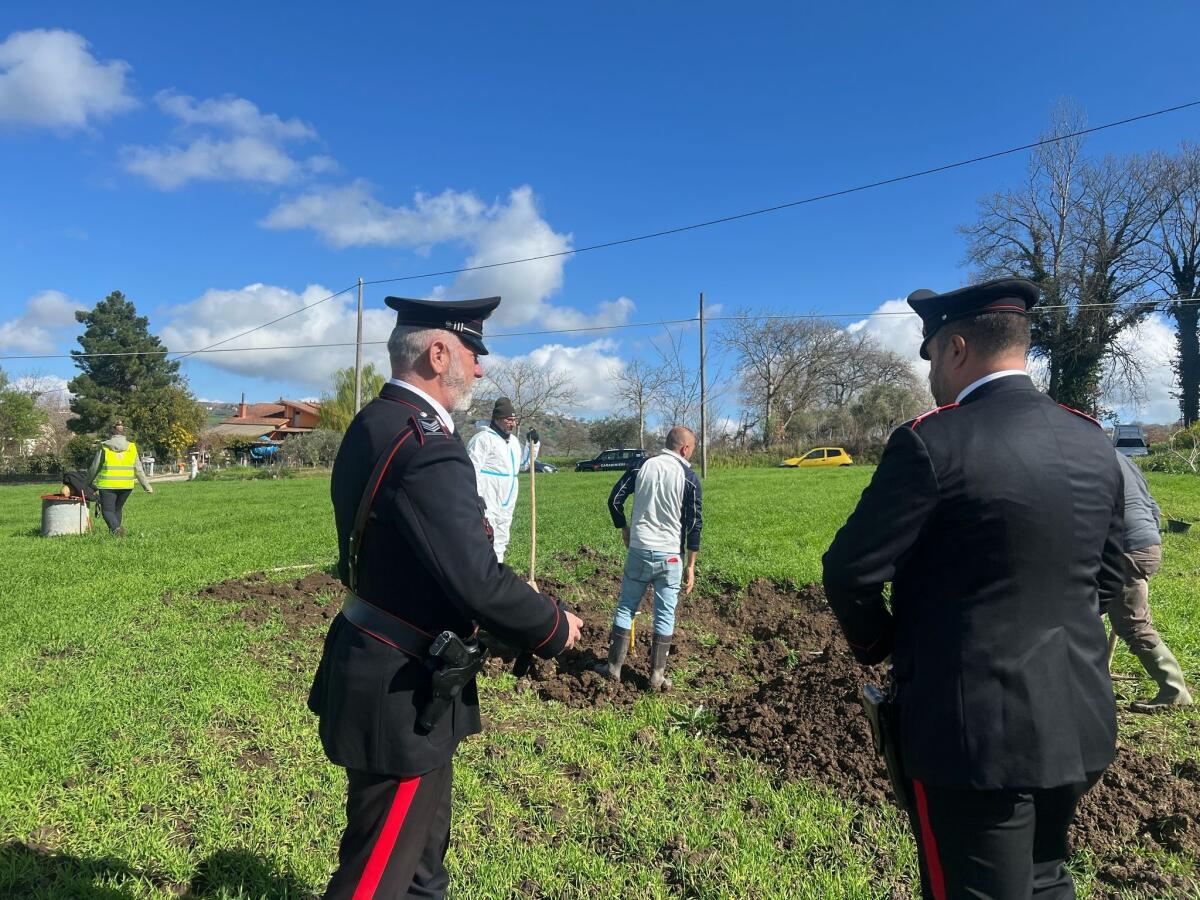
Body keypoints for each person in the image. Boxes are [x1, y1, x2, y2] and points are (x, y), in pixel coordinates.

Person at [823, 277, 1124, 899]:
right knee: (1046, 879)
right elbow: (1113, 575)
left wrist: (880, 644)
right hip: (1080, 722)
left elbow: (850, 570)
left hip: (973, 741)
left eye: (930, 354)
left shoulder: (933, 441)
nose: (931, 371)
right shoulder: (1091, 439)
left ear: (956, 347)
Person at [308, 295, 583, 900]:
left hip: (392, 667)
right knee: (376, 878)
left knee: (423, 867)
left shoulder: (373, 423)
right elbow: (476, 579)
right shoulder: (428, 445)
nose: (479, 369)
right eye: (471, 353)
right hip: (402, 690)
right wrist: (554, 626)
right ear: (438, 354)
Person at [599, 426, 702, 690]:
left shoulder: (640, 466)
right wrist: (690, 565)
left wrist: (624, 528)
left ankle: (613, 668)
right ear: (685, 448)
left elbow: (614, 500)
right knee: (665, 614)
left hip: (640, 550)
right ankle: (656, 676)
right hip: (670, 557)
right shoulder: (689, 478)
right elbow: (694, 524)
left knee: (626, 607)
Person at [1112, 450, 1193, 711]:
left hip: (1125, 546)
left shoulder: (1089, 459)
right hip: (1147, 542)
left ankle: (1174, 690)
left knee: (1132, 622)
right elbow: (1152, 505)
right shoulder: (1122, 459)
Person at [466, 397, 523, 563]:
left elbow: (524, 465)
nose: (512, 424)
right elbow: (471, 469)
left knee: (503, 532)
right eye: (508, 420)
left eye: (514, 420)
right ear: (497, 419)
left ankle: (498, 569)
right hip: (488, 493)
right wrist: (475, 496)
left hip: (509, 494)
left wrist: (535, 444)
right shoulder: (482, 439)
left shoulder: (513, 442)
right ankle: (483, 572)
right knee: (486, 534)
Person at [87, 421, 153, 535]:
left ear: (111, 433)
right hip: (126, 486)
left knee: (107, 510)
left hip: (108, 485)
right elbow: (138, 469)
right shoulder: (131, 447)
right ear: (123, 433)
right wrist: (147, 486)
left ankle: (116, 530)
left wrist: (87, 481)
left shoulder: (104, 446)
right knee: (117, 509)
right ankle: (116, 535)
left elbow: (95, 467)